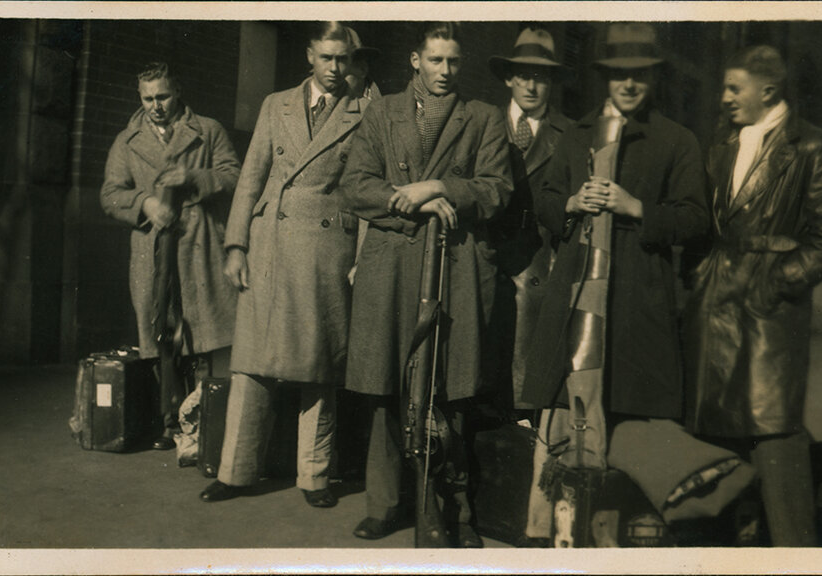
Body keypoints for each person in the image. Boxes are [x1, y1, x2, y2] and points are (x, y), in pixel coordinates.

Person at [519, 23, 709, 545]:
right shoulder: (578, 134)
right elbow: (546, 198)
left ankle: (625, 533)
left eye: (640, 76)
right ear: (605, 78)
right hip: (576, 295)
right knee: (565, 409)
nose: (629, 84)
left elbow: (697, 219)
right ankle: (554, 527)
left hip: (638, 300)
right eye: (619, 75)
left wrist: (636, 207)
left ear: (653, 79)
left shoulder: (676, 140)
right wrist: (571, 203)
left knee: (630, 410)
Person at [340, 22, 512, 546]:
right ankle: (386, 502)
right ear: (415, 60)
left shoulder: (483, 118)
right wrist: (411, 201)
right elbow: (354, 185)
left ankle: (452, 510)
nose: (444, 72)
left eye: (453, 62)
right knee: (387, 386)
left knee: (449, 390)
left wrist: (438, 186)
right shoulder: (382, 111)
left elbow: (497, 189)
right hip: (390, 268)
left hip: (455, 266)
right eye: (435, 61)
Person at [685, 45, 822, 546]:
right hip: (715, 299)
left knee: (773, 431)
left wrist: (780, 281)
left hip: (767, 312)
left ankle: (796, 552)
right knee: (716, 436)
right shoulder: (725, 143)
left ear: (769, 91)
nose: (723, 98)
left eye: (733, 88)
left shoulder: (812, 147)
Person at [198, 22, 374, 508]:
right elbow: (251, 177)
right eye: (327, 58)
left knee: (317, 369)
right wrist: (236, 245)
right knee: (251, 364)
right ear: (310, 56)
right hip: (269, 245)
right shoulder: (275, 104)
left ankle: (314, 477)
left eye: (343, 59)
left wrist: (358, 259)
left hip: (325, 252)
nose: (335, 69)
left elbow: (362, 193)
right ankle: (236, 471)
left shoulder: (366, 111)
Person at [100, 62, 239, 451]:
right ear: (138, 96)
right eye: (147, 99)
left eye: (162, 96)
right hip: (153, 247)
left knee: (205, 332)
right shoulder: (127, 142)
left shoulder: (208, 131)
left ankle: (207, 419)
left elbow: (235, 176)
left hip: (200, 242)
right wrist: (143, 203)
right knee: (163, 331)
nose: (156, 106)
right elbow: (110, 194)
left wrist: (195, 178)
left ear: (176, 91)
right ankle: (169, 421)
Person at [486, 27, 572, 414]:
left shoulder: (569, 135)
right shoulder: (482, 124)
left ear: (552, 83)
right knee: (479, 385)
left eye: (541, 77)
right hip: (485, 265)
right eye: (523, 76)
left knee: (526, 392)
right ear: (509, 78)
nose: (531, 87)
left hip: (539, 267)